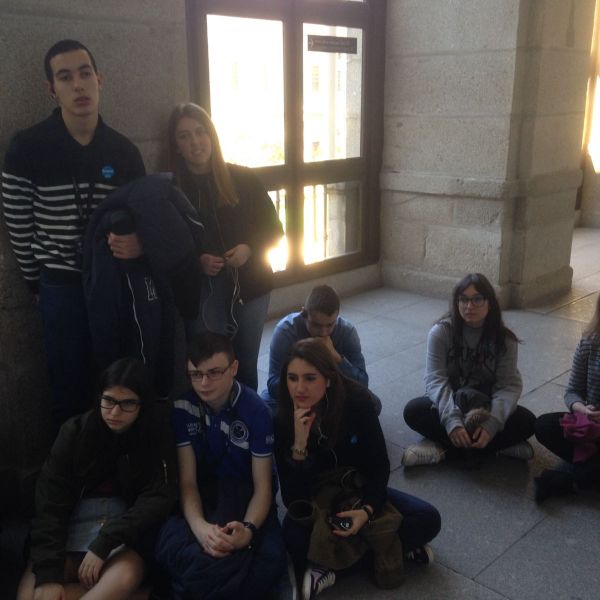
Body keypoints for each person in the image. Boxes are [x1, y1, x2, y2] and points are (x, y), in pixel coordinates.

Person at [2, 39, 146, 430]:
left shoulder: (123, 151)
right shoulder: (27, 148)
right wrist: (37, 282)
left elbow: (143, 218)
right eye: (65, 77)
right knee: (67, 387)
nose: (78, 85)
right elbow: (18, 224)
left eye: (85, 74)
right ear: (52, 89)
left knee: (116, 379)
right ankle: (74, 465)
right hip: (60, 284)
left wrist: (138, 245)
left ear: (99, 79)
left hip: (111, 283)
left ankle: (118, 461)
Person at [275, 339, 441, 600]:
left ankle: (330, 569)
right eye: (292, 378)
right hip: (319, 498)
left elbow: (379, 465)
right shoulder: (282, 418)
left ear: (328, 379)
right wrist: (299, 446)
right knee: (292, 539)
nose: (299, 388)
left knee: (428, 518)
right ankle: (391, 547)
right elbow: (293, 498)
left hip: (358, 490)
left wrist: (367, 511)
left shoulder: (357, 401)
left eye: (310, 378)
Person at [16, 357, 177, 600]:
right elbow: (49, 501)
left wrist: (106, 541)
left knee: (123, 577)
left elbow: (158, 497)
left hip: (124, 534)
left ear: (143, 404)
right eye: (108, 400)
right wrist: (49, 574)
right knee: (31, 593)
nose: (115, 412)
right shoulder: (75, 431)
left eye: (128, 403)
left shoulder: (156, 434)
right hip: (71, 527)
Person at [155, 332, 286, 599]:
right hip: (206, 495)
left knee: (270, 559)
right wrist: (201, 529)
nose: (204, 383)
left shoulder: (257, 411)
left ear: (234, 368)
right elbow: (188, 482)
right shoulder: (182, 407)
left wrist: (247, 531)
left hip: (246, 495)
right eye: (195, 374)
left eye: (214, 372)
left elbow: (263, 487)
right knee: (167, 546)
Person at [167, 102, 283, 391]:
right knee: (208, 365)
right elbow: (166, 246)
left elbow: (274, 229)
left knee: (244, 363)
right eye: (184, 136)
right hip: (202, 292)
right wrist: (197, 261)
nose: (195, 142)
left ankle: (247, 416)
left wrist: (249, 248)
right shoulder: (171, 190)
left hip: (252, 286)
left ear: (212, 136)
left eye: (200, 132)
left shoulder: (243, 178)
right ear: (176, 146)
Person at [402, 273, 535, 467]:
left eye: (477, 299)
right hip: (452, 404)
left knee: (529, 422)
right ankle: (496, 447)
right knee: (413, 411)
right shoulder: (441, 332)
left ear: (490, 303)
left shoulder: (505, 340)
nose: (469, 306)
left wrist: (492, 424)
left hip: (485, 408)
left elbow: (507, 387)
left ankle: (441, 448)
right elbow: (435, 380)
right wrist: (451, 421)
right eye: (463, 299)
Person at [265, 284, 381, 414]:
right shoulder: (285, 332)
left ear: (337, 316)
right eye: (316, 325)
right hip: (299, 392)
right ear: (304, 314)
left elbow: (362, 383)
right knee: (266, 410)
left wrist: (337, 358)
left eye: (330, 325)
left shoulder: (347, 332)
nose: (323, 332)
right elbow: (273, 385)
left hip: (332, 391)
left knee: (372, 405)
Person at [534, 294, 600, 502]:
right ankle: (587, 471)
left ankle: (574, 477)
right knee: (543, 425)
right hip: (590, 424)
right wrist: (583, 409)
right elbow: (572, 391)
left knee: (587, 471)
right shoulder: (590, 342)